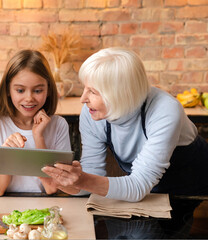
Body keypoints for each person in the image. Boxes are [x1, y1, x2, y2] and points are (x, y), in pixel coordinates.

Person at [42, 47, 208, 202]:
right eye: (85, 88)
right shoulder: (92, 112)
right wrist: (67, 182)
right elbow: (92, 175)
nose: (83, 99)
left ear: (119, 95)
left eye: (93, 91)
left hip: (192, 188)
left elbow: (138, 186)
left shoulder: (165, 110)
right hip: (143, 190)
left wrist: (82, 180)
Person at [0, 50, 71, 196]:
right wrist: (7, 154)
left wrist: (38, 137)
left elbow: (53, 188)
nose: (29, 98)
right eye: (20, 90)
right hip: (10, 211)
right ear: (8, 90)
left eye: (38, 90)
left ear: (49, 90)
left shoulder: (59, 125)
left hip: (46, 208)